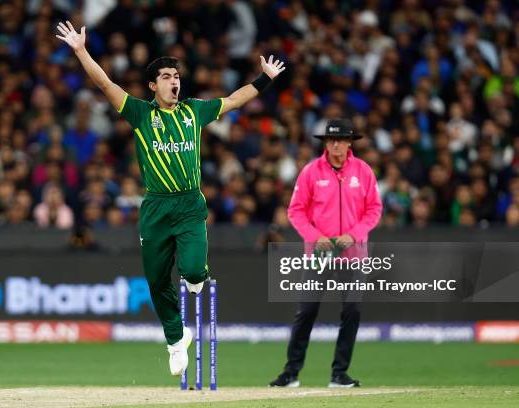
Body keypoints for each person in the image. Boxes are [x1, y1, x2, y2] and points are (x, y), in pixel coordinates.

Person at [56, 20, 285, 377]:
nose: (173, 81)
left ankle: (197, 276)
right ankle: (177, 341)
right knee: (157, 281)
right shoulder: (140, 113)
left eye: (175, 75)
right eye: (165, 76)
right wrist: (81, 50)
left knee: (193, 271)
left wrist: (265, 78)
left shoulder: (195, 110)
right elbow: (104, 83)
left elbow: (236, 100)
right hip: (156, 207)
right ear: (153, 85)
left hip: (190, 204)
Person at [270, 118, 382, 388]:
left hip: (353, 255)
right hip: (319, 256)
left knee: (352, 311)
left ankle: (339, 373)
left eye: (341, 140)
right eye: (330, 140)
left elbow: (374, 210)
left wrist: (353, 235)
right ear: (326, 143)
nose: (335, 145)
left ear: (349, 143)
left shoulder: (363, 171)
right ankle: (291, 372)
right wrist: (315, 237)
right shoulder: (311, 172)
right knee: (307, 311)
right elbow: (295, 211)